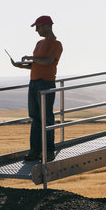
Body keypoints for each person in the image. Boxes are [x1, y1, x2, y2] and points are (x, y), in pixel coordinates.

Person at [11, 15, 63, 161]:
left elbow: (48, 61)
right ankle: (35, 151)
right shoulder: (39, 43)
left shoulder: (56, 44)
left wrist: (31, 58)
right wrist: (20, 65)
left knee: (46, 118)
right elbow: (36, 65)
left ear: (47, 26)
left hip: (45, 84)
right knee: (35, 118)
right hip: (33, 83)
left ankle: (49, 152)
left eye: (38, 27)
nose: (37, 30)